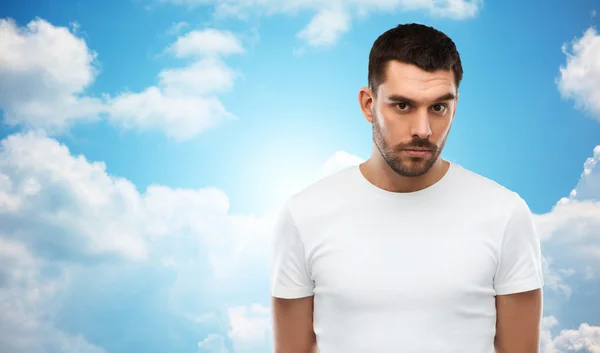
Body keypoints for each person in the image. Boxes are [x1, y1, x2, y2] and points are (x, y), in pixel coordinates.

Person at [269, 23, 544, 353]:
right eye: (402, 105)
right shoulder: (304, 215)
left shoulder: (505, 214)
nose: (423, 129)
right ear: (368, 105)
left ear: (456, 105)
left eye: (439, 107)